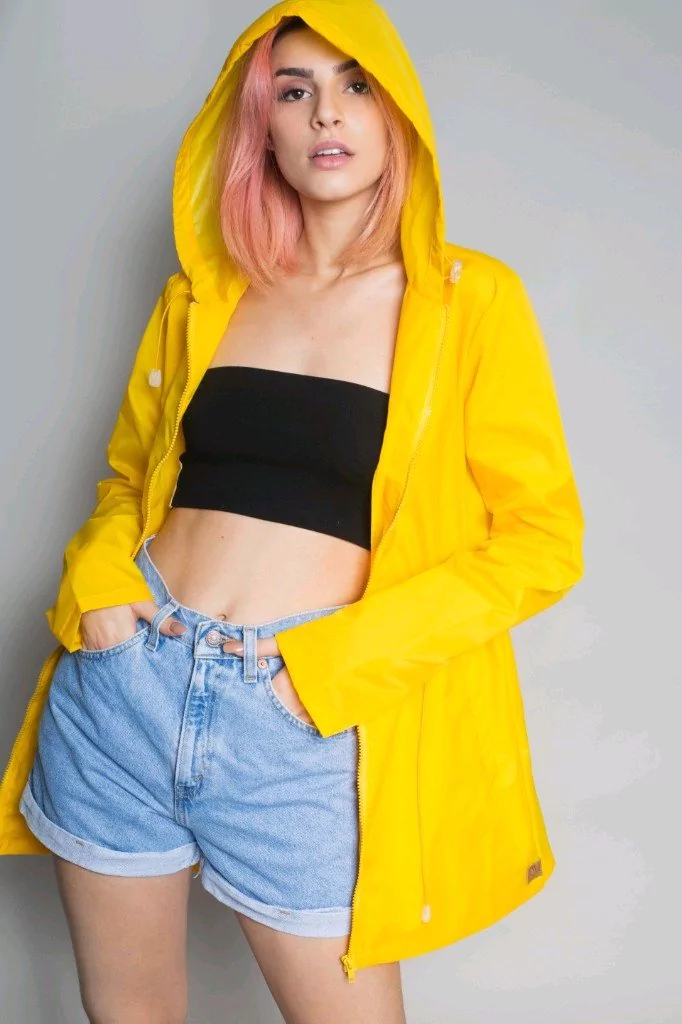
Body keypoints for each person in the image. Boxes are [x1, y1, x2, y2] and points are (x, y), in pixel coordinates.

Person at [0, 2, 585, 1022]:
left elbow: (540, 542)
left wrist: (331, 668)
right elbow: (131, 481)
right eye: (294, 88)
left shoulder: (468, 303)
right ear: (258, 123)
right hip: (125, 686)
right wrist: (99, 593)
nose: (327, 113)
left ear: (398, 113)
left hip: (301, 718)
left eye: (356, 85)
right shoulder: (206, 294)